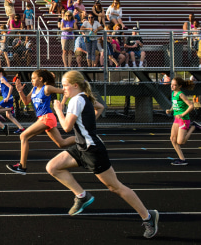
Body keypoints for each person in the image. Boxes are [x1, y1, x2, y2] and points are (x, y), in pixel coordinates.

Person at [47, 70, 159, 239]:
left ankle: (148, 217)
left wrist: (58, 110)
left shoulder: (77, 100)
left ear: (75, 85)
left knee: (115, 187)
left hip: (93, 151)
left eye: (65, 86)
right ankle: (82, 196)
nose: (63, 89)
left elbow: (67, 127)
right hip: (81, 147)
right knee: (53, 167)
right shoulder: (81, 97)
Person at [6, 70, 75, 174]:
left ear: (41, 79)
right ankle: (84, 138)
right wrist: (20, 91)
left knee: (23, 136)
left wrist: (63, 101)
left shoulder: (46, 88)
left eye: (33, 78)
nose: (31, 80)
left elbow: (64, 91)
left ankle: (22, 166)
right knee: (62, 143)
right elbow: (25, 101)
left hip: (47, 118)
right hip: (42, 118)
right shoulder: (34, 89)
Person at [166, 77, 197, 166]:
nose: (172, 86)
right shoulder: (173, 93)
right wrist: (170, 110)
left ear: (180, 86)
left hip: (183, 119)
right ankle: (182, 159)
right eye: (171, 84)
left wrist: (182, 115)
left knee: (180, 142)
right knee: (172, 139)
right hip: (176, 119)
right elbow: (174, 104)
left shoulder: (181, 94)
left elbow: (191, 106)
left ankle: (193, 127)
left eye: (175, 85)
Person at [0, 67, 25, 133]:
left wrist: (7, 97)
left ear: (1, 73)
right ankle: (21, 128)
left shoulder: (2, 79)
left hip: (7, 99)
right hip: (7, 98)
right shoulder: (1, 80)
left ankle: (10, 108)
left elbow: (11, 87)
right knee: (8, 115)